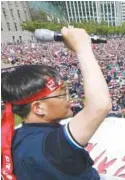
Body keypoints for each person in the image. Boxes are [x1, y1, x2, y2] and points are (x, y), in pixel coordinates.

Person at [1, 27, 112, 179]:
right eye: (61, 94)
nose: (69, 98)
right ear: (38, 107)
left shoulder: (19, 136)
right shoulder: (49, 146)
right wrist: (83, 48)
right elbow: (99, 106)